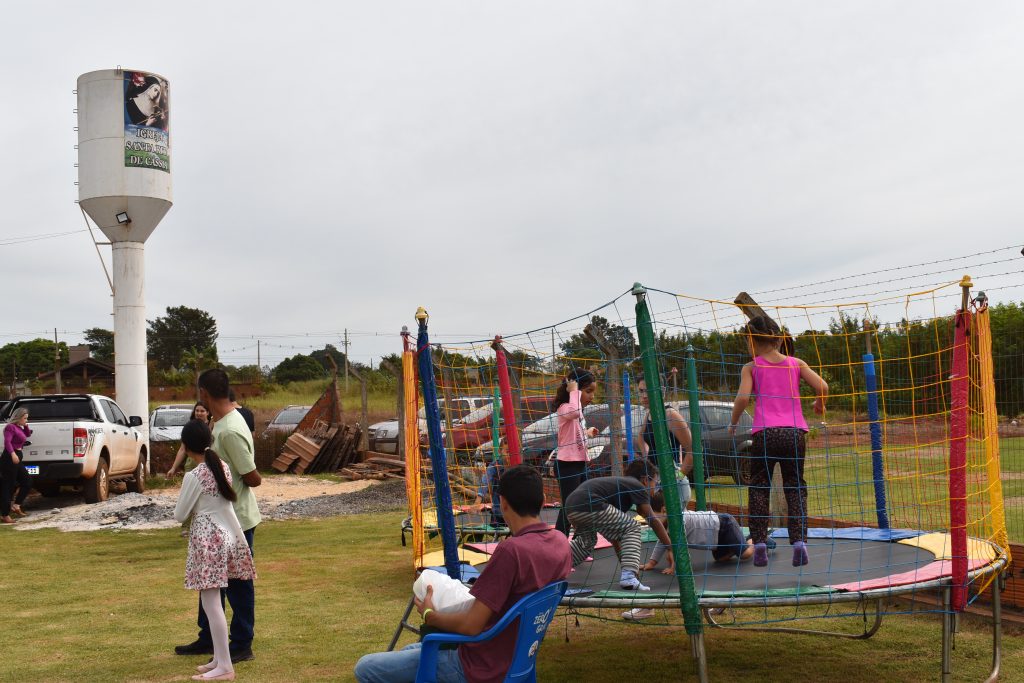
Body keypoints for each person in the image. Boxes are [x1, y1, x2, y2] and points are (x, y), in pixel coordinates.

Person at [354, 465, 572, 683]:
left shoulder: (512, 552)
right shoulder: (561, 543)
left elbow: (471, 625)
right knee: (410, 651)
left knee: (366, 668)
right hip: (518, 661)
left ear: (503, 503)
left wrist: (429, 614)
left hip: (478, 666)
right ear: (543, 501)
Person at [175, 369, 262, 663]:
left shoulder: (229, 430)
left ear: (204, 393)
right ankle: (209, 638)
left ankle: (241, 643)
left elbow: (252, 477)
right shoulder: (222, 423)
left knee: (237, 585)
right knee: (210, 583)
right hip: (220, 520)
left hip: (235, 519)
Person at [729, 315, 828, 567]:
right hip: (794, 434)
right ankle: (799, 542)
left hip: (765, 434)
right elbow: (823, 386)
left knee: (759, 487)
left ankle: (760, 543)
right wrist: (819, 403)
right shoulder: (796, 363)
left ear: (752, 340)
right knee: (795, 487)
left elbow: (742, 398)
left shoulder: (751, 367)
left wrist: (733, 422)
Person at [564, 458, 672, 591]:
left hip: (572, 507)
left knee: (586, 542)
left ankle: (555, 568)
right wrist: (671, 548)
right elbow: (653, 520)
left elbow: (615, 537)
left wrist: (627, 565)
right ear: (645, 480)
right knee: (632, 527)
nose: (655, 488)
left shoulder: (620, 488)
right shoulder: (638, 486)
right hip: (590, 503)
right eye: (655, 482)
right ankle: (628, 577)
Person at [552, 369, 599, 536]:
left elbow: (574, 434)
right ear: (574, 389)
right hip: (567, 465)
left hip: (579, 463)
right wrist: (573, 391)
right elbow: (574, 412)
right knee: (569, 506)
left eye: (593, 392)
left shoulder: (577, 411)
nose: (592, 396)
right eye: (588, 391)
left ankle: (581, 540)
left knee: (583, 502)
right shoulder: (564, 408)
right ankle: (558, 541)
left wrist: (587, 432)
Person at [632, 379, 694, 503]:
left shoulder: (670, 415)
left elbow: (693, 452)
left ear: (662, 391)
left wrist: (678, 477)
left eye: (649, 391)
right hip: (655, 479)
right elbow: (640, 436)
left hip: (672, 481)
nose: (644, 395)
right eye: (641, 391)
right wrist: (647, 457)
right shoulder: (650, 414)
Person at [2, 408, 34, 524]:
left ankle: (16, 506)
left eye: (27, 418)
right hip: (10, 458)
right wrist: (12, 454)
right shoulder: (10, 427)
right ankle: (5, 515)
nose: (26, 420)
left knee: (27, 481)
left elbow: (27, 435)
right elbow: (7, 442)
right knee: (8, 485)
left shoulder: (19, 427)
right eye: (25, 418)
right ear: (18, 417)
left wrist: (26, 426)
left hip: (17, 457)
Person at [168, 402, 213, 477]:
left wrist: (210, 426)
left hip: (207, 463)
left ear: (208, 413)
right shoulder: (190, 427)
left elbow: (208, 441)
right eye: (197, 410)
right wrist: (173, 468)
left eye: (202, 411)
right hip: (191, 464)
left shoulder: (212, 426)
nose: (199, 413)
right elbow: (182, 449)